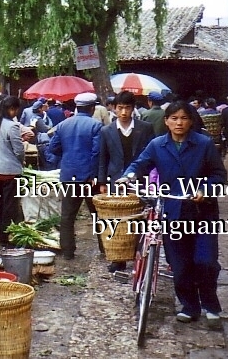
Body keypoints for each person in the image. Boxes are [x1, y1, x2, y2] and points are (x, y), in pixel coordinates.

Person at [119, 100, 227, 329]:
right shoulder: (157, 145)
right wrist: (127, 177)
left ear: (191, 121)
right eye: (174, 118)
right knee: (180, 264)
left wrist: (204, 190)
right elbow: (140, 164)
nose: (179, 122)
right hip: (172, 212)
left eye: (184, 118)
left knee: (205, 261)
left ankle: (210, 305)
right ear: (166, 121)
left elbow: (219, 175)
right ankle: (189, 306)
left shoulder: (204, 144)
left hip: (202, 213)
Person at [97, 91, 154, 272]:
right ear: (114, 109)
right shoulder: (106, 130)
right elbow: (102, 158)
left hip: (140, 179)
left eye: (127, 108)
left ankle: (139, 254)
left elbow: (152, 155)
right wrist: (102, 182)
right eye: (120, 108)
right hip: (116, 179)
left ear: (133, 108)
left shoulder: (145, 128)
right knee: (117, 219)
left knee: (140, 217)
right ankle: (118, 259)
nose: (123, 112)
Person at [48, 92, 103, 260]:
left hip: (68, 175)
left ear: (77, 107)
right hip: (89, 178)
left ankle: (68, 251)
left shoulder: (64, 125)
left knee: (67, 216)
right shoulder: (96, 126)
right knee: (98, 215)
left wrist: (68, 153)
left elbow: (53, 147)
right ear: (92, 108)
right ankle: (105, 248)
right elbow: (97, 153)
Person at [0, 96, 26, 244]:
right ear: (12, 109)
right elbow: (19, 150)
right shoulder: (12, 126)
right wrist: (21, 161)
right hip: (9, 171)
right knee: (10, 206)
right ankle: (6, 236)